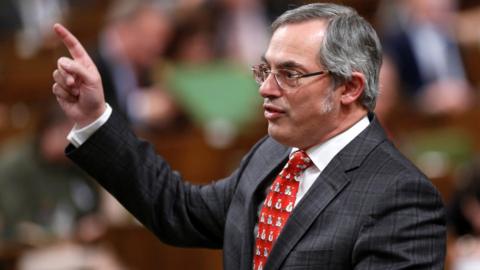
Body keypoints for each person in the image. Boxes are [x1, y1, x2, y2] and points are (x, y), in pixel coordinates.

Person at [51, 3, 446, 269]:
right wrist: (96, 117)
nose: (266, 89)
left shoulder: (402, 197)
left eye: (289, 74)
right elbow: (179, 210)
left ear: (349, 88)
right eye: (265, 71)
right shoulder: (273, 153)